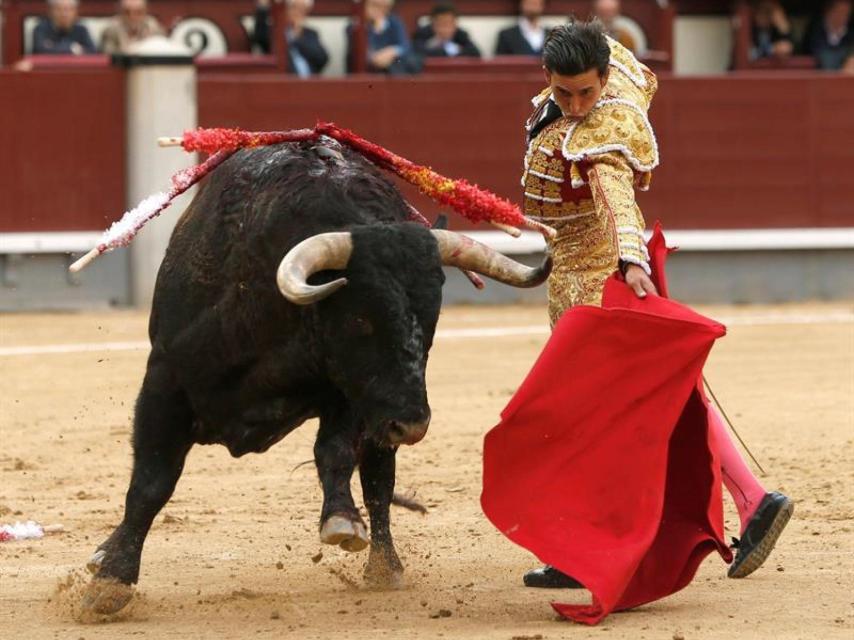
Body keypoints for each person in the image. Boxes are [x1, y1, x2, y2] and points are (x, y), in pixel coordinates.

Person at [512, 20, 793, 589]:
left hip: (597, 283)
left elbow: (617, 200)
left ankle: (586, 547)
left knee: (592, 421)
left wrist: (630, 258)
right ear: (548, 79)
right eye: (564, 92)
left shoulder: (603, 128)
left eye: (587, 92)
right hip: (573, 271)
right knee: (661, 399)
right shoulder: (585, 76)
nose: (576, 105)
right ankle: (753, 496)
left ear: (604, 78)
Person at [253, 0, 329, 77]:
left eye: (302, 10)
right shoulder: (274, 32)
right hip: (284, 84)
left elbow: (322, 59)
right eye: (294, 8)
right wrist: (262, 8)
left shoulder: (310, 33)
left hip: (311, 83)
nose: (297, 13)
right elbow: (260, 37)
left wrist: (297, 36)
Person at [347, 0, 421, 74]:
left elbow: (405, 46)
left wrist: (391, 51)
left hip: (392, 70)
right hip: (366, 72)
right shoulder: (355, 26)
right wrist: (375, 32)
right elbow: (360, 53)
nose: (380, 10)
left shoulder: (394, 22)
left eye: (385, 7)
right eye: (376, 5)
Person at [412, 2, 481, 58]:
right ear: (433, 23)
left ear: (455, 23)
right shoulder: (422, 34)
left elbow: (476, 54)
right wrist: (448, 51)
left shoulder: (461, 35)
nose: (445, 29)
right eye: (441, 24)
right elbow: (416, 53)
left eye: (448, 23)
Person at [803, 0, 853, 71]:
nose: (842, 16)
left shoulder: (851, 32)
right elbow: (812, 49)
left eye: (846, 13)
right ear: (829, 12)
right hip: (819, 73)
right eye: (839, 11)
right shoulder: (815, 29)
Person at [100, 0, 165, 55]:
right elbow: (108, 57)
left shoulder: (154, 28)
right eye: (127, 12)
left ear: (145, 12)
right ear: (119, 12)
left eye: (138, 12)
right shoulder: (111, 30)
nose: (133, 17)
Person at [32, 0, 96, 55]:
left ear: (75, 12)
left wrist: (54, 46)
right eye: (59, 9)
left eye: (68, 9)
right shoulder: (40, 29)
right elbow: (40, 50)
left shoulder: (81, 30)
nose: (64, 14)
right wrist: (72, 48)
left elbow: (93, 51)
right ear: (50, 11)